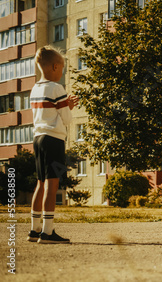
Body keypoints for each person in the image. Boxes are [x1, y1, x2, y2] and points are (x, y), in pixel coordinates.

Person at [27, 46, 79, 244]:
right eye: (62, 68)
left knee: (40, 183)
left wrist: (64, 105)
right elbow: (66, 119)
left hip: (38, 138)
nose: (62, 72)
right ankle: (48, 233)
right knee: (52, 183)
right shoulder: (57, 88)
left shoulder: (35, 89)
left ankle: (34, 229)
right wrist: (69, 105)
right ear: (55, 66)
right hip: (54, 140)